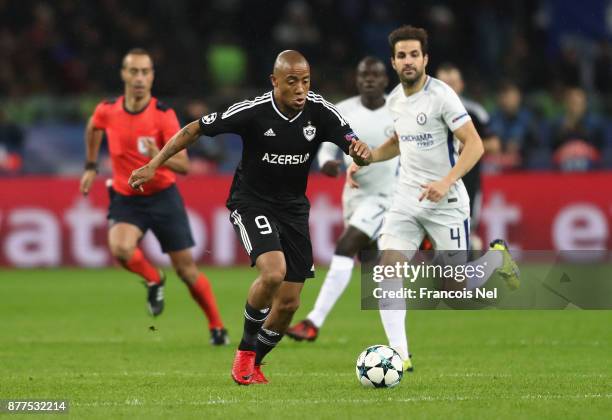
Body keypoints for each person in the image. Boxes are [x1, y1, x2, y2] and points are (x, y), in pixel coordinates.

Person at [128, 50, 371, 385]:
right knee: (273, 273)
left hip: (294, 209)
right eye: (292, 81)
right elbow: (195, 128)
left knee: (288, 304)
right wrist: (155, 163)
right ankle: (243, 352)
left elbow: (353, 143)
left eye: (305, 81)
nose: (300, 89)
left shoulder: (320, 110)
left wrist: (361, 151)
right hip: (252, 202)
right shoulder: (253, 111)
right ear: (274, 82)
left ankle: (255, 361)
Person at [355, 26, 520, 365]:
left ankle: (496, 257)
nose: (408, 61)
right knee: (387, 269)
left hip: (445, 201)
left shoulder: (442, 95)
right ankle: (399, 354)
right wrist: (369, 157)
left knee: (455, 288)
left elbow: (474, 144)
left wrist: (446, 181)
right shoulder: (395, 101)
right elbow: (398, 142)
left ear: (425, 58)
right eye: (402, 56)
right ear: (394, 62)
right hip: (407, 199)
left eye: (414, 54)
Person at [79, 48, 228, 346]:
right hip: (127, 196)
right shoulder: (107, 110)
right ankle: (153, 279)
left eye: (145, 72)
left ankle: (217, 326)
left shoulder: (163, 115)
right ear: (123, 74)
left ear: (152, 77)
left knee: (186, 270)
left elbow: (184, 165)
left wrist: (156, 156)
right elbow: (93, 127)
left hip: (162, 196)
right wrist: (91, 165)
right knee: (120, 248)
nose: (139, 78)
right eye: (133, 71)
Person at [286, 57, 400, 346]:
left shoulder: (398, 111)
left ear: (385, 80)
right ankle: (400, 349)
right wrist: (326, 163)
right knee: (379, 272)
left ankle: (313, 321)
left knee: (345, 246)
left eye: (375, 75)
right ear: (357, 79)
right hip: (355, 197)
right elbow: (326, 144)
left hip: (388, 197)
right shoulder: (344, 110)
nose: (369, 80)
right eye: (364, 75)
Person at [435, 63, 501, 251]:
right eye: (443, 83)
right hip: (433, 180)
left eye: (452, 83)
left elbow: (494, 145)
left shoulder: (474, 112)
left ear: (461, 85)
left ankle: (470, 275)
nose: (448, 88)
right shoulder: (426, 111)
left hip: (467, 182)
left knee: (465, 236)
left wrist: (468, 144)